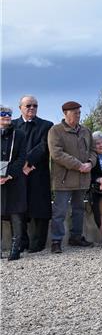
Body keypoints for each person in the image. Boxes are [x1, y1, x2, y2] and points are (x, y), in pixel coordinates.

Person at [48, 101, 96, 253]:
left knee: (79, 209)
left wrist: (90, 163)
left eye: (79, 112)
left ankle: (76, 237)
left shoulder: (86, 131)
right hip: (64, 180)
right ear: (65, 113)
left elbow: (93, 151)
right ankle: (56, 240)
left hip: (82, 179)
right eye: (75, 112)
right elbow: (56, 154)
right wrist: (78, 165)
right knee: (60, 211)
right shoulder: (55, 131)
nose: (78, 115)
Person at [12, 95, 53, 253]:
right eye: (28, 105)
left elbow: (43, 146)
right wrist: (20, 166)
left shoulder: (46, 125)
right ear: (20, 107)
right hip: (18, 174)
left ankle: (39, 243)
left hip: (38, 173)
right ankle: (21, 241)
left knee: (40, 208)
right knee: (19, 208)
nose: (32, 108)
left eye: (35, 105)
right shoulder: (13, 126)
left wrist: (28, 162)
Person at [1, 105, 28, 261]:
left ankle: (15, 249)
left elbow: (21, 157)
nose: (6, 117)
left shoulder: (20, 135)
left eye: (8, 115)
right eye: (3, 114)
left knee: (16, 215)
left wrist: (9, 174)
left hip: (15, 180)